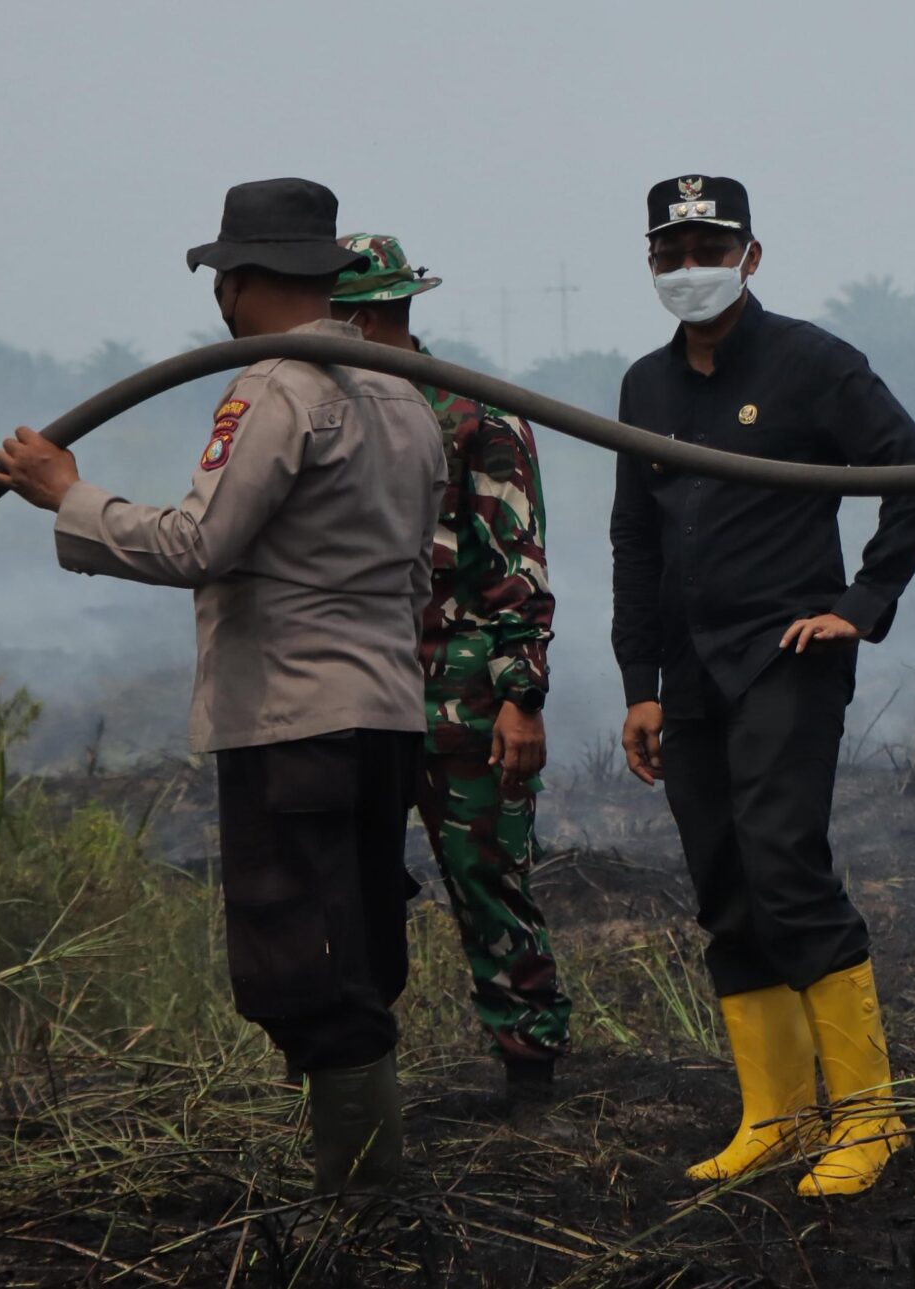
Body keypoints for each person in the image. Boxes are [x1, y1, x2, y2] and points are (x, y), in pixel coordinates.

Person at [0, 178, 447, 1193]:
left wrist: (67, 494)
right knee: (356, 945)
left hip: (293, 720)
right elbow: (419, 575)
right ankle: (361, 1187)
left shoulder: (277, 387)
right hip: (382, 715)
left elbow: (200, 543)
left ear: (238, 281)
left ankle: (361, 1202)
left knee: (307, 957)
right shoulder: (404, 393)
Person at [608, 175, 915, 1197]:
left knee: (785, 864)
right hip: (689, 669)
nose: (689, 270)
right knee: (723, 882)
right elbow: (635, 539)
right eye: (671, 254)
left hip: (787, 656)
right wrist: (639, 682)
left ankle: (872, 1117)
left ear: (750, 257)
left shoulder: (813, 363)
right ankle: (779, 1117)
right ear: (650, 263)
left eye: (709, 250)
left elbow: (914, 471)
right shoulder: (644, 387)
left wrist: (861, 601)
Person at [328, 233, 574, 1111]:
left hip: (459, 692)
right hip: (352, 686)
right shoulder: (323, 414)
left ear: (367, 317)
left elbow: (516, 564)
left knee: (487, 878)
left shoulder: (474, 415)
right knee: (349, 888)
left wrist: (521, 697)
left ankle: (530, 1075)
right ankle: (354, 1082)